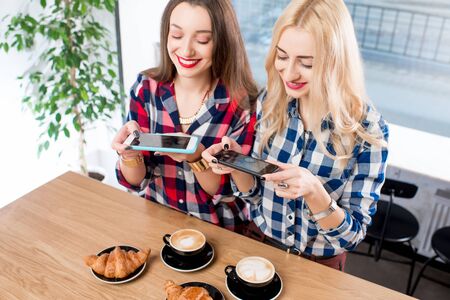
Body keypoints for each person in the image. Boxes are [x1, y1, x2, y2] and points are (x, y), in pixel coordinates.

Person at [202, 0, 389, 271]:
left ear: (336, 62)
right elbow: (254, 195)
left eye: (307, 63)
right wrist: (236, 164)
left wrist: (314, 192)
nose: (289, 73)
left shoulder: (368, 131)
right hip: (257, 246)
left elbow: (351, 237)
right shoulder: (269, 102)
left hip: (318, 267)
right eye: (282, 56)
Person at [111, 0, 258, 233]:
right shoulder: (145, 89)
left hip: (221, 235)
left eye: (202, 40)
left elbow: (231, 192)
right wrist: (129, 154)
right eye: (177, 35)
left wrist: (195, 156)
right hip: (157, 227)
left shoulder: (241, 105)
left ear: (223, 42)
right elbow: (135, 181)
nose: (187, 50)